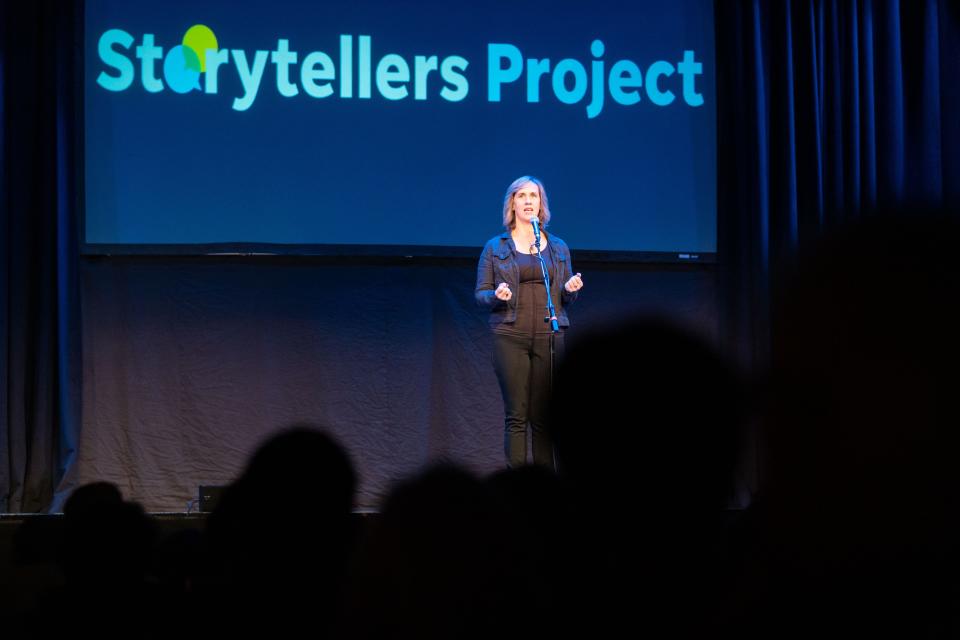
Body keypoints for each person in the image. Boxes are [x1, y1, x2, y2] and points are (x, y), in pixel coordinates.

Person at [475, 176, 583, 468]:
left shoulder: (558, 247)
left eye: (533, 196)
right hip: (510, 335)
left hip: (550, 336)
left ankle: (546, 493)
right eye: (521, 196)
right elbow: (480, 294)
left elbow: (562, 298)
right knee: (517, 415)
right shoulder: (495, 247)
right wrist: (497, 295)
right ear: (512, 203)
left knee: (545, 416)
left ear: (541, 203)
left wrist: (569, 290)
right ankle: (518, 493)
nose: (528, 201)